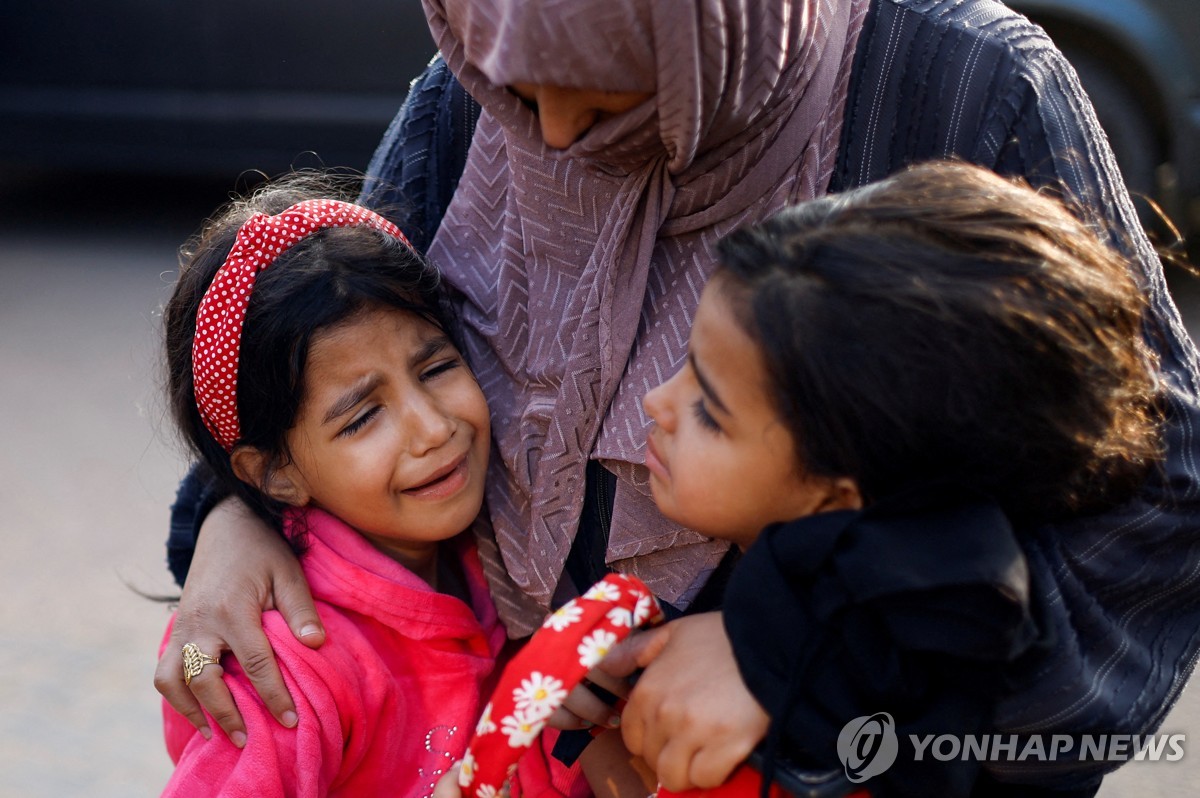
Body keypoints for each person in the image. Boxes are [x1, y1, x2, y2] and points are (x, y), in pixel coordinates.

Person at [157, 0, 1200, 793]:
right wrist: (239, 519)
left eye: (613, 98)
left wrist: (786, 671)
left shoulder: (966, 88)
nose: (553, 140)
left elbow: (1155, 513)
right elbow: (317, 345)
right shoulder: (487, 74)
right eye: (523, 99)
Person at [156, 175, 558, 796]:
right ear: (273, 473)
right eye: (363, 416)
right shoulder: (279, 667)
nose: (432, 428)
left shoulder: (497, 554)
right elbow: (195, 682)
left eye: (438, 367)